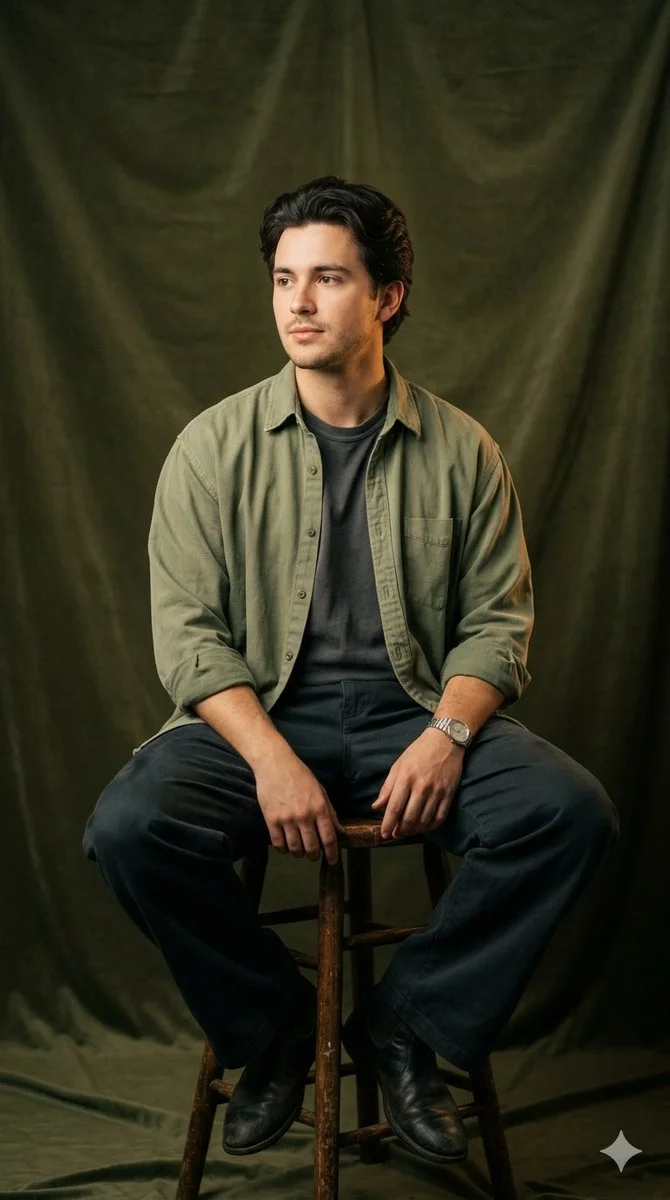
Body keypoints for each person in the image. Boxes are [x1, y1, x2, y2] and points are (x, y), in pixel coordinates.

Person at [82, 175, 619, 1166]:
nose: (296, 302)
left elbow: (498, 623)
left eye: (327, 278)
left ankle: (406, 1026)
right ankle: (280, 1031)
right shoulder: (211, 447)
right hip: (255, 718)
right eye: (284, 278)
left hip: (410, 712)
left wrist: (448, 735)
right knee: (130, 827)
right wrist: (270, 758)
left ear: (388, 297)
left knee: (569, 814)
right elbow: (188, 636)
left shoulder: (463, 450)